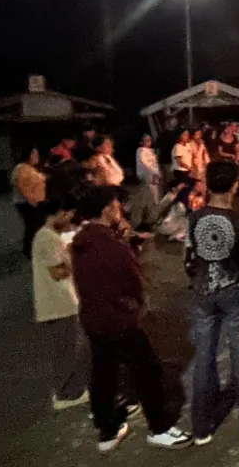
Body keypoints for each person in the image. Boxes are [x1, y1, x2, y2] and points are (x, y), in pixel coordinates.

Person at [70, 186, 192, 453]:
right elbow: (132, 281)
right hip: (119, 318)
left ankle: (107, 430)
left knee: (103, 374)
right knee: (148, 372)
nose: (120, 210)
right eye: (115, 205)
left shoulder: (82, 240)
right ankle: (159, 428)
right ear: (105, 210)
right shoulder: (109, 244)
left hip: (94, 318)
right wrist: (135, 306)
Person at [185, 161, 239, 445]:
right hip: (235, 292)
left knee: (204, 355)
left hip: (202, 292)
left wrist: (201, 281)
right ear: (235, 184)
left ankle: (201, 427)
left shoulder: (194, 219)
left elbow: (189, 259)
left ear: (208, 184)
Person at [32, 192, 90, 410]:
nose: (69, 220)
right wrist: (74, 255)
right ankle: (67, 394)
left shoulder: (48, 235)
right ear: (60, 213)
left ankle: (69, 390)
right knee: (66, 350)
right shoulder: (45, 237)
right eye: (68, 215)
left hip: (62, 302)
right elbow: (58, 271)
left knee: (68, 348)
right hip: (58, 303)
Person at [12, 146, 47, 258]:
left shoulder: (30, 168)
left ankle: (35, 248)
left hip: (35, 201)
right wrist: (31, 201)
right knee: (32, 226)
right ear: (28, 155)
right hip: (27, 203)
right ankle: (29, 250)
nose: (37, 157)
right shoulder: (21, 168)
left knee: (35, 225)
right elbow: (22, 187)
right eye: (34, 154)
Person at [134, 135, 162, 229]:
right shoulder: (141, 151)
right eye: (146, 140)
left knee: (153, 198)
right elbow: (145, 165)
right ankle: (150, 220)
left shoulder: (151, 151)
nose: (149, 142)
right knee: (151, 199)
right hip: (147, 177)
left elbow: (154, 164)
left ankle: (152, 220)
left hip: (154, 177)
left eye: (150, 140)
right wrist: (154, 173)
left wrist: (157, 173)